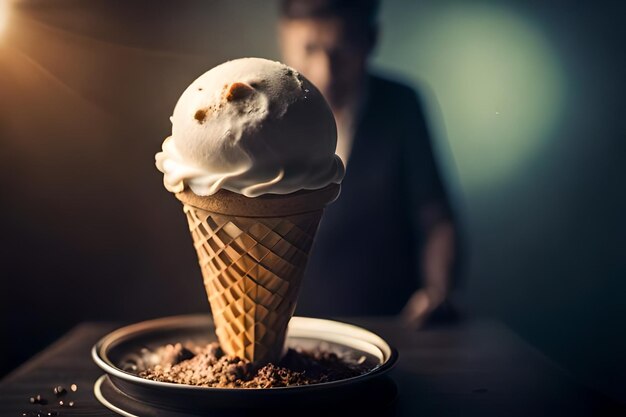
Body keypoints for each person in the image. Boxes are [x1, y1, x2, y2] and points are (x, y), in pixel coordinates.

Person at [279, 0, 459, 327]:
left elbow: (435, 217)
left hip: (391, 327)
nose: (325, 72)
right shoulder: (269, 111)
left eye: (341, 51)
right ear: (284, 39)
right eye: (309, 49)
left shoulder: (401, 105)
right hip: (292, 329)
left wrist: (436, 291)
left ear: (371, 39)